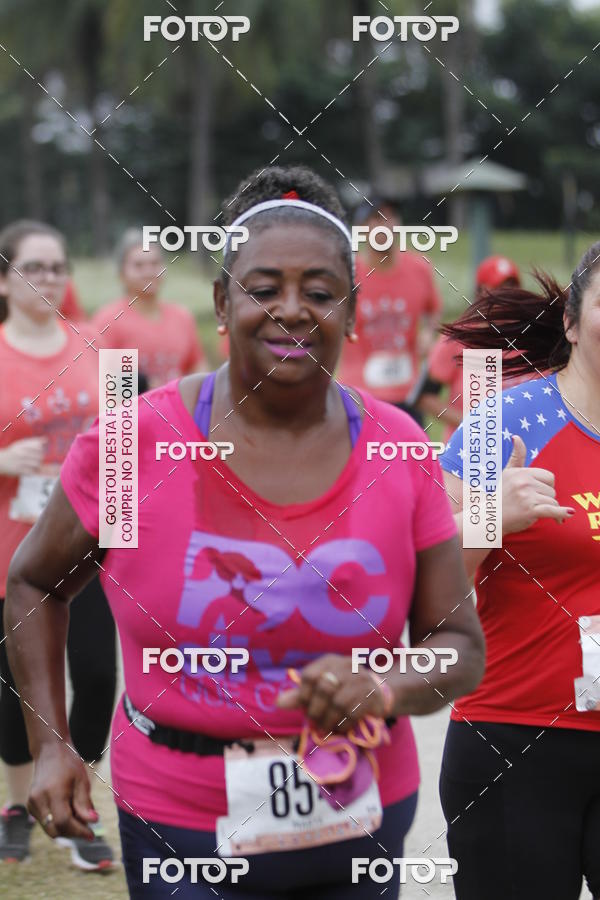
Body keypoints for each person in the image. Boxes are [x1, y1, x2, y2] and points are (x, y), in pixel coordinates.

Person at [6, 168, 484, 898]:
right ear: (223, 304)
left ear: (352, 310)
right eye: (263, 289)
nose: (292, 310)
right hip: (180, 819)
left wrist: (385, 683)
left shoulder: (398, 446)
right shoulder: (139, 444)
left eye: (320, 292)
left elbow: (458, 647)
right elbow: (36, 580)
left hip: (359, 813)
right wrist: (51, 743)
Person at [438, 244, 600, 899]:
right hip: (519, 741)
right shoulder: (506, 425)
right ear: (571, 320)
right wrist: (487, 517)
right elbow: (422, 592)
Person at [0, 220, 116, 871]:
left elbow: (128, 441)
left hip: (89, 552)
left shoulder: (100, 346)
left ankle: (76, 801)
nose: (47, 278)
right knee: (15, 691)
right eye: (32, 267)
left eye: (55, 267)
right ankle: (17, 807)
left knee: (97, 678)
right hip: (12, 555)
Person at [337, 196, 442, 423]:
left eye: (390, 217)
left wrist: (428, 333)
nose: (385, 225)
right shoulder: (346, 274)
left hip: (408, 396)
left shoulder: (419, 268)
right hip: (359, 396)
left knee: (412, 457)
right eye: (376, 218)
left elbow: (433, 310)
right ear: (362, 229)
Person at [416, 255, 522, 441]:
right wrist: (470, 422)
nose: (507, 295)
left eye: (512, 288)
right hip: (470, 451)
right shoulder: (459, 337)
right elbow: (425, 396)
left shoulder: (532, 336)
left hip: (523, 448)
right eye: (499, 289)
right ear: (480, 292)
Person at [92, 228, 206, 389]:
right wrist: (145, 386)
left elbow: (197, 369)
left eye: (155, 264)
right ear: (121, 273)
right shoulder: (109, 320)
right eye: (139, 265)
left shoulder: (182, 317)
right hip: (132, 412)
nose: (149, 272)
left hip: (179, 412)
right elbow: (99, 380)